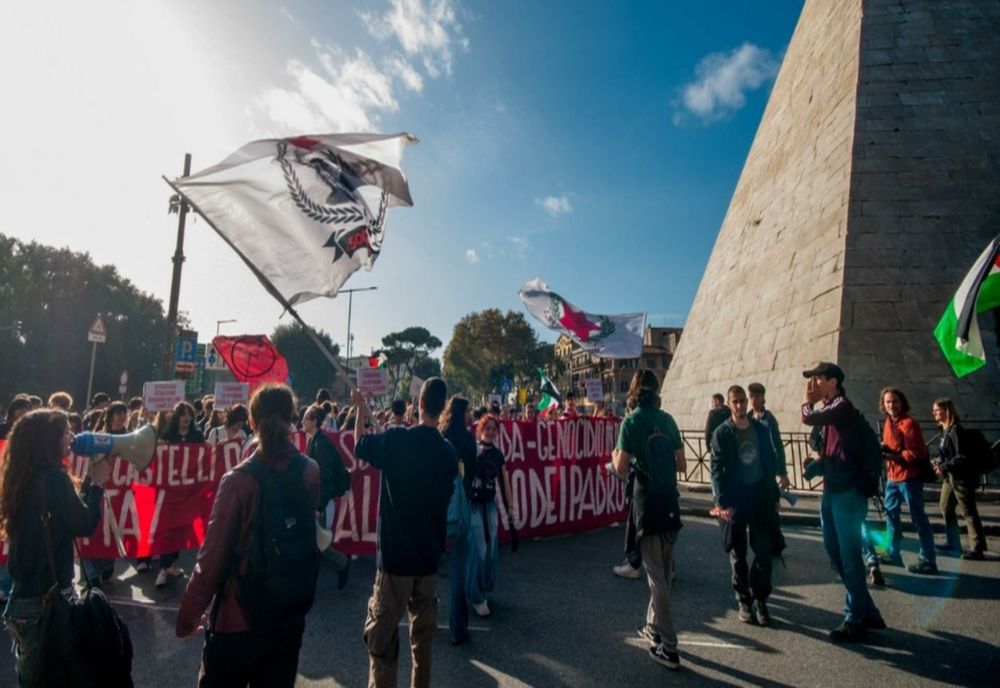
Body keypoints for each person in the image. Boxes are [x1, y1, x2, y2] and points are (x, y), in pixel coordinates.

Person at [176, 383, 320, 688]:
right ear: (293, 417)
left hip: (237, 619)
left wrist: (188, 615)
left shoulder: (238, 481)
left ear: (251, 422)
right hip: (288, 617)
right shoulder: (310, 471)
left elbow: (211, 561)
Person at [352, 378, 458, 688]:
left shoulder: (397, 440)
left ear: (419, 404)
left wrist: (360, 410)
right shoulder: (448, 452)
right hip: (427, 560)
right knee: (422, 642)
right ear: (442, 407)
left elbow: (360, 444)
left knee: (382, 643)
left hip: (396, 560)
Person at [0, 409, 111, 686]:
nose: (70, 437)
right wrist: (96, 484)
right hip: (47, 603)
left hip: (22, 599)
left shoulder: (22, 477)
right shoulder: (55, 479)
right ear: (49, 439)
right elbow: (84, 522)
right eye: (64, 432)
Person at [801, 362, 885, 642]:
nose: (813, 384)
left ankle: (854, 618)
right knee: (833, 550)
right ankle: (867, 609)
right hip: (832, 490)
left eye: (818, 378)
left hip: (847, 493)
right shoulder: (832, 414)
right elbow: (834, 451)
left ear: (833, 382)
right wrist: (817, 465)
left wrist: (807, 403)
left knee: (849, 556)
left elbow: (808, 418)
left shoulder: (842, 407)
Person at [612, 369, 685, 670]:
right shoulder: (667, 420)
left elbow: (620, 468)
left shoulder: (631, 421)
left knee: (657, 580)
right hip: (670, 500)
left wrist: (614, 458)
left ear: (633, 390)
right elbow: (681, 464)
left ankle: (669, 648)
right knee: (664, 573)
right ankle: (653, 627)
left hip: (646, 503)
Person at [711, 385, 782, 627]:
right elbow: (716, 470)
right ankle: (744, 600)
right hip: (736, 499)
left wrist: (774, 495)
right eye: (736, 402)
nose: (741, 406)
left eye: (743, 401)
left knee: (763, 553)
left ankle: (760, 599)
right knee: (738, 553)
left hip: (760, 496)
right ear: (729, 404)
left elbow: (769, 462)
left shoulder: (760, 430)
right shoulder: (722, 433)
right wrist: (722, 502)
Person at [878, 387, 937, 575]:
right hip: (893, 477)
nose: (891, 405)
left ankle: (928, 560)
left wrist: (893, 454)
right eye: (888, 402)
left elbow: (915, 453)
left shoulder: (909, 423)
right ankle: (893, 553)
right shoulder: (888, 423)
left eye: (894, 401)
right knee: (890, 515)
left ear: (901, 402)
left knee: (918, 518)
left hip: (909, 477)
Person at [465, 414, 515, 618]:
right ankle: (477, 596)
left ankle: (483, 586)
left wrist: (510, 508)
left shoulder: (498, 454)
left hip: (490, 505)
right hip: (475, 506)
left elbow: (504, 481)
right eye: (488, 428)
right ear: (481, 429)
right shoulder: (472, 451)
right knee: (480, 549)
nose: (491, 432)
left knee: (491, 549)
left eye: (495, 429)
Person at [155, 400, 205, 587]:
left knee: (180, 529)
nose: (186, 417)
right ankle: (162, 568)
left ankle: (172, 564)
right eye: (183, 414)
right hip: (170, 491)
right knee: (167, 528)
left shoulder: (197, 436)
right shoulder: (168, 435)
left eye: (189, 414)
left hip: (188, 492)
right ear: (177, 417)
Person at [303, 403, 352, 589]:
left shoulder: (320, 444)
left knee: (318, 543)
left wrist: (318, 506)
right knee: (316, 542)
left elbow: (324, 479)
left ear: (314, 421)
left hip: (322, 503)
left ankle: (342, 563)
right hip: (320, 501)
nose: (302, 421)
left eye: (306, 417)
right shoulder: (316, 440)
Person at [80, 401, 129, 588]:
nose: (122, 416)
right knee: (95, 529)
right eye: (118, 413)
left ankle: (107, 564)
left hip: (120, 493)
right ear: (110, 417)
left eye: (124, 413)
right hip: (98, 488)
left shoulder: (131, 437)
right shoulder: (99, 437)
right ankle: (91, 573)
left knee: (113, 530)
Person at [439, 395, 476, 645]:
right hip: (460, 506)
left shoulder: (440, 435)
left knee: (428, 566)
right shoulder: (468, 439)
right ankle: (457, 627)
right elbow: (471, 472)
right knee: (458, 568)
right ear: (464, 413)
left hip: (437, 505)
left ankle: (424, 618)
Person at [932, 398, 987, 560]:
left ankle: (977, 548)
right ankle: (953, 541)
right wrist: (939, 462)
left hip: (963, 477)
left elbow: (962, 456)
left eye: (937, 410)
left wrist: (943, 466)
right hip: (950, 477)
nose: (934, 413)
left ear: (946, 411)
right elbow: (948, 454)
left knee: (968, 511)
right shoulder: (944, 430)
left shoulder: (956, 431)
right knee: (945, 506)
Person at [747, 382, 790, 493]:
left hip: (766, 469)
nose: (754, 400)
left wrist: (782, 473)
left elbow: (777, 445)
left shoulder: (769, 419)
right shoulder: (747, 419)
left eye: (757, 396)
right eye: (751, 396)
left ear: (763, 400)